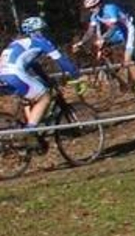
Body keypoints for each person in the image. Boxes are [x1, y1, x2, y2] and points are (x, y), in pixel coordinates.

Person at [1, 16, 81, 146]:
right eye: (43, 30)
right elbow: (60, 60)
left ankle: (29, 127)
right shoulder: (41, 41)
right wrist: (75, 73)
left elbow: (33, 65)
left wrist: (46, 79)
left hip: (4, 74)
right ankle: (30, 133)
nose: (45, 33)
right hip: (14, 74)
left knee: (31, 96)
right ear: (37, 31)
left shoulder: (18, 43)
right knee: (44, 97)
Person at [75, 0, 135, 95]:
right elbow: (90, 31)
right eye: (89, 8)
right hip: (117, 34)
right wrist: (81, 42)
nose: (91, 10)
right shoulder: (95, 16)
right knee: (99, 48)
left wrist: (103, 38)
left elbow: (114, 27)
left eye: (93, 7)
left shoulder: (110, 8)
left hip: (128, 31)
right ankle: (118, 74)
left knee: (127, 59)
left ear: (99, 4)